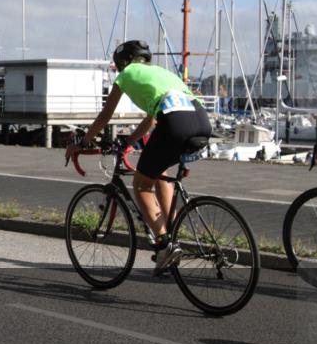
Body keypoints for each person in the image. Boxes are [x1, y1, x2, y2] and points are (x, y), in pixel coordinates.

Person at [65, 40, 212, 274]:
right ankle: (170, 230)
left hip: (176, 125)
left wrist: (83, 142)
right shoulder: (161, 72)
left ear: (123, 62)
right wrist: (130, 141)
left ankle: (164, 245)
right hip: (202, 121)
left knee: (141, 185)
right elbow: (152, 119)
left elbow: (105, 116)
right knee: (159, 173)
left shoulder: (126, 75)